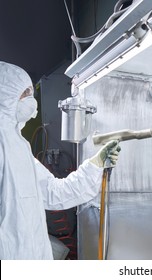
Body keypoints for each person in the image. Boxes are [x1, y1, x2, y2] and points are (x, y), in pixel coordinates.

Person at [0, 61, 121, 260]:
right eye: (25, 94)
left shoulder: (19, 148)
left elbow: (53, 192)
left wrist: (95, 164)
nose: (31, 100)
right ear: (5, 95)